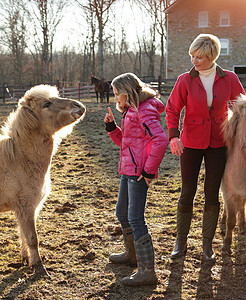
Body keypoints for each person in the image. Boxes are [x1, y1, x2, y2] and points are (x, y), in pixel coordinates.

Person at [166, 33, 245, 262]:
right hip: (190, 143)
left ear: (211, 56)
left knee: (212, 194)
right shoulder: (185, 80)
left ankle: (207, 244)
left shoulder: (229, 78)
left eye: (199, 57)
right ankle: (180, 242)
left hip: (219, 144)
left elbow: (241, 106)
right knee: (187, 192)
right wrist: (174, 136)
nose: (194, 61)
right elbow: (172, 109)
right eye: (192, 56)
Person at [104, 73, 169, 286]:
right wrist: (113, 129)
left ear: (127, 92)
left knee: (135, 218)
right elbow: (128, 143)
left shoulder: (144, 110)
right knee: (121, 213)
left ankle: (147, 271)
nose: (115, 99)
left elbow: (160, 140)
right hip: (128, 169)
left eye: (116, 94)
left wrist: (149, 171)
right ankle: (132, 255)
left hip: (139, 173)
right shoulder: (130, 111)